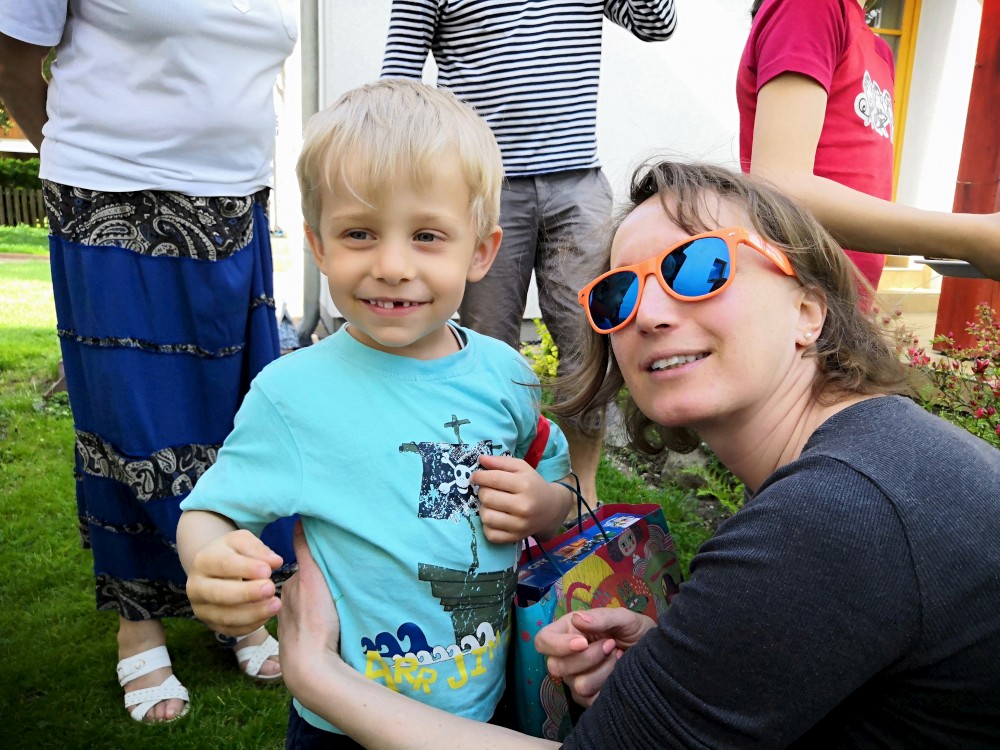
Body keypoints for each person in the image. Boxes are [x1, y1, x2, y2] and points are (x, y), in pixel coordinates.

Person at [274, 159, 1000, 749]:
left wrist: (318, 676)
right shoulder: (873, 461)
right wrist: (678, 667)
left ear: (807, 310)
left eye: (700, 268)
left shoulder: (833, 515)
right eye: (618, 295)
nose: (646, 314)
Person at [177, 78, 576, 748]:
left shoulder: (505, 374)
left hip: (490, 693)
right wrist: (211, 558)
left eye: (427, 235)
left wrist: (542, 504)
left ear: (480, 251)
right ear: (319, 246)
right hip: (344, 718)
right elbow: (211, 511)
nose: (392, 265)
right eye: (359, 233)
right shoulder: (293, 395)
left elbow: (560, 484)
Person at [0, 0, 299, 724]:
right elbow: (12, 59)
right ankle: (139, 622)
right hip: (111, 203)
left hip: (235, 207)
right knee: (128, 421)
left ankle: (237, 601)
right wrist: (87, 168)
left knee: (238, 423)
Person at [381, 0, 679, 510]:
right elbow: (399, 80)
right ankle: (493, 493)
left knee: (588, 341)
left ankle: (579, 494)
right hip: (484, 188)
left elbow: (656, 23)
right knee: (484, 350)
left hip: (577, 182)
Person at [740, 0, 1000, 287]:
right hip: (793, 291)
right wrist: (971, 236)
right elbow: (780, 187)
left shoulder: (879, 52)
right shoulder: (811, 6)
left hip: (841, 299)